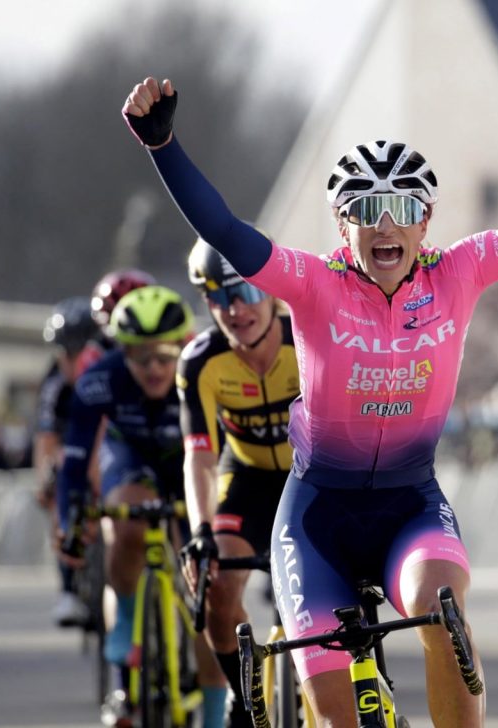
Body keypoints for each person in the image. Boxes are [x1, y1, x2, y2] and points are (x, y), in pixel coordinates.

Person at [122, 37, 498, 727]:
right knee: (335, 714)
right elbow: (222, 227)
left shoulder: (461, 272)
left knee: (442, 613)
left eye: (402, 208)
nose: (385, 225)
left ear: (426, 220)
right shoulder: (311, 284)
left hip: (409, 506)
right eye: (366, 211)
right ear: (342, 225)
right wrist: (163, 146)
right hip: (316, 518)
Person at [54, 285, 227, 727]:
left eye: (165, 356)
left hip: (190, 462)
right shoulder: (100, 380)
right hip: (130, 459)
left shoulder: (206, 368)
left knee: (209, 597)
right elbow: (74, 462)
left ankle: (213, 715)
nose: (153, 368)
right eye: (139, 356)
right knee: (126, 522)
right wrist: (69, 519)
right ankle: (128, 616)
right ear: (121, 351)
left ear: (183, 345)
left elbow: (228, 454)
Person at [178, 239, 299, 727]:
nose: (235, 309)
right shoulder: (200, 361)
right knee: (218, 585)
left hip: (309, 478)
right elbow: (200, 456)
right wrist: (200, 531)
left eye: (246, 291)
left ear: (270, 291)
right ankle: (246, 696)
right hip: (245, 476)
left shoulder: (306, 338)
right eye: (219, 297)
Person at [35, 296, 108, 627]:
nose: (70, 360)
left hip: (105, 441)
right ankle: (68, 587)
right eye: (63, 352)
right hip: (71, 443)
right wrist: (45, 479)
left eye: (76, 351)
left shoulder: (109, 369)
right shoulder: (55, 384)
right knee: (57, 480)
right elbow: (45, 437)